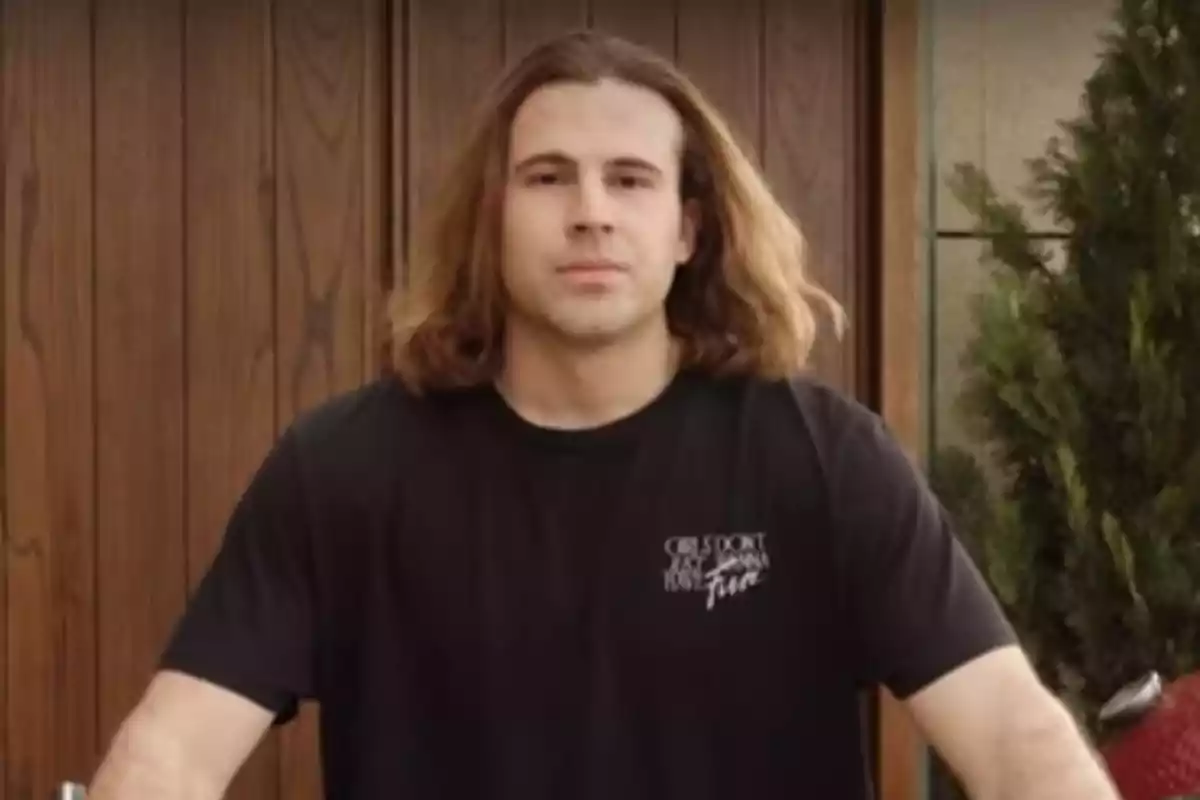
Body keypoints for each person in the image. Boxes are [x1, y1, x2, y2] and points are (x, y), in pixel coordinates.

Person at [88, 30, 1118, 800]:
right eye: (548, 178)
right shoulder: (341, 471)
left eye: (629, 179)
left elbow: (1012, 735)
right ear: (493, 224)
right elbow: (170, 752)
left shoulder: (823, 459)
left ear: (686, 228)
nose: (591, 209)